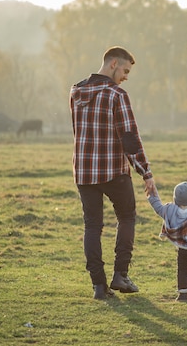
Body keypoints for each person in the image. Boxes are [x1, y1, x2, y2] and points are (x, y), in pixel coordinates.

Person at [70, 46, 156, 300]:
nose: (126, 76)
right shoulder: (117, 95)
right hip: (114, 171)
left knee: (92, 226)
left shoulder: (76, 91)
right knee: (127, 217)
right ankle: (121, 275)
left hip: (84, 171)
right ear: (113, 63)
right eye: (125, 71)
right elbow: (129, 138)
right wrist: (146, 173)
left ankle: (99, 286)